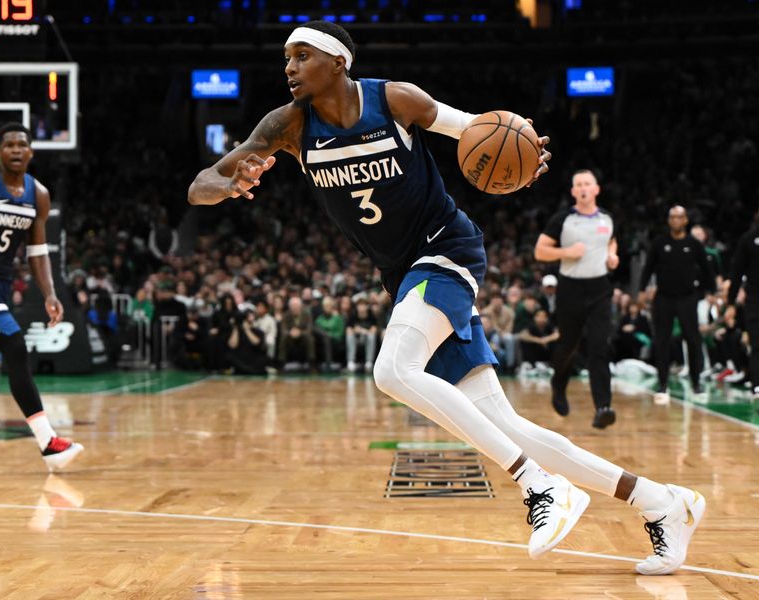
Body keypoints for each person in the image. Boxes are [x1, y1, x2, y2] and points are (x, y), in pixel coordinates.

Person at [188, 21, 704, 572]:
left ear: (338, 62)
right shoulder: (287, 125)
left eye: (301, 56)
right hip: (403, 276)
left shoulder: (395, 100)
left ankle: (539, 487)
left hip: (446, 250)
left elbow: (478, 131)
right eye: (286, 58)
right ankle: (663, 503)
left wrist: (524, 153)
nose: (288, 67)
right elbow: (201, 184)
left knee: (391, 371)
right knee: (509, 427)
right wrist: (232, 183)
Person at [0, 123, 83, 470]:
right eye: (8, 144)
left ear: (31, 152)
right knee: (14, 345)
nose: (15, 149)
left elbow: (38, 251)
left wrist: (50, 293)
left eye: (21, 145)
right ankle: (49, 443)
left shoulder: (37, 194)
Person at [534, 169, 618, 429]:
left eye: (587, 184)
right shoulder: (563, 219)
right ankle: (558, 386)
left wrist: (613, 255)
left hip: (600, 290)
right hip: (570, 289)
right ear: (573, 192)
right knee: (568, 346)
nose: (583, 188)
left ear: (596, 189)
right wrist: (566, 252)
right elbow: (540, 251)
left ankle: (603, 407)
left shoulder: (607, 218)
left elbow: (611, 241)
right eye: (578, 184)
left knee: (599, 347)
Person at [638, 205, 715, 403]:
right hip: (663, 298)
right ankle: (662, 385)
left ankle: (696, 384)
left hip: (687, 298)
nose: (675, 220)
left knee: (693, 339)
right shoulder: (660, 242)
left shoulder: (694, 244)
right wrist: (641, 290)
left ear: (685, 220)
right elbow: (648, 267)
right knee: (662, 341)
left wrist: (711, 291)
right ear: (668, 220)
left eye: (679, 217)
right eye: (672, 217)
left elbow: (706, 269)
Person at [727, 209, 759, 397]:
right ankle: (757, 384)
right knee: (757, 344)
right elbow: (736, 272)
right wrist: (731, 303)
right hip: (755, 300)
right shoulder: (748, 240)